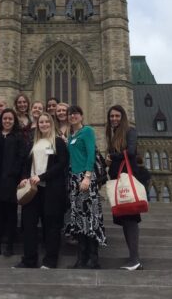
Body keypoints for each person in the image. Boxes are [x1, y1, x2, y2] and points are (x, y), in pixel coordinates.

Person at [16, 113, 68, 269]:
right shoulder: (33, 142)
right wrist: (25, 177)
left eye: (47, 122)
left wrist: (42, 176)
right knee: (29, 224)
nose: (44, 124)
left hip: (51, 190)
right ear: (37, 124)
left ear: (51, 124)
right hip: (33, 190)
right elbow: (26, 164)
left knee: (51, 226)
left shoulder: (58, 142)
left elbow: (61, 165)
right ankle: (29, 260)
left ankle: (50, 261)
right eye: (41, 122)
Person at [64, 105, 106, 269]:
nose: (72, 116)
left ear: (81, 116)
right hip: (74, 179)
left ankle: (93, 258)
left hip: (86, 178)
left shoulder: (87, 131)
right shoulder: (71, 135)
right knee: (79, 218)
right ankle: (81, 258)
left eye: (75, 114)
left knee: (91, 217)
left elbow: (90, 154)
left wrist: (88, 176)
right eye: (70, 114)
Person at [105, 104, 143, 271]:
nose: (114, 119)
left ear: (123, 117)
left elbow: (132, 151)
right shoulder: (113, 134)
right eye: (111, 116)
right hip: (118, 179)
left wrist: (112, 157)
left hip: (127, 178)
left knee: (130, 219)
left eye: (117, 116)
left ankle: (135, 259)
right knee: (126, 220)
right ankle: (134, 259)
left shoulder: (130, 131)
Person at [0, 108, 25, 257]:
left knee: (11, 214)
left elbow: (21, 158)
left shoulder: (18, 137)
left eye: (10, 119)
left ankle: (9, 246)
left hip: (11, 180)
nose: (7, 121)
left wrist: (15, 174)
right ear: (1, 120)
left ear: (14, 121)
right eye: (5, 119)